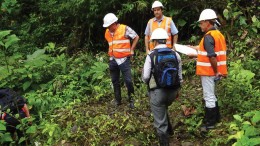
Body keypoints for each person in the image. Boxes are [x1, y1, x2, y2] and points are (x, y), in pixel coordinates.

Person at [188, 9, 228, 131]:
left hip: (209, 72)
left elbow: (211, 56)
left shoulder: (208, 37)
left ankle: (209, 124)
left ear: (207, 22)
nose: (200, 25)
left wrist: (215, 71)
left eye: (201, 23)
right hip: (217, 71)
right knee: (213, 95)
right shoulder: (218, 35)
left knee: (209, 96)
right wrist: (193, 49)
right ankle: (216, 118)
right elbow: (206, 51)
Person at [142, 28, 182, 145]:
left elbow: (145, 77)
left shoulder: (151, 56)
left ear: (154, 41)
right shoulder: (176, 55)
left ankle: (165, 140)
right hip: (173, 93)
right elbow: (180, 77)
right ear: (165, 40)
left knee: (160, 122)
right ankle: (170, 130)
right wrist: (177, 90)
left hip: (158, 94)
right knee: (163, 107)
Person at [103, 13, 139, 109]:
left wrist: (132, 49)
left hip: (124, 59)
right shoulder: (107, 32)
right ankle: (118, 100)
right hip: (113, 59)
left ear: (114, 23)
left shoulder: (124, 29)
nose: (108, 28)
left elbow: (136, 37)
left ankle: (131, 100)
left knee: (128, 81)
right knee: (115, 81)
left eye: (109, 26)